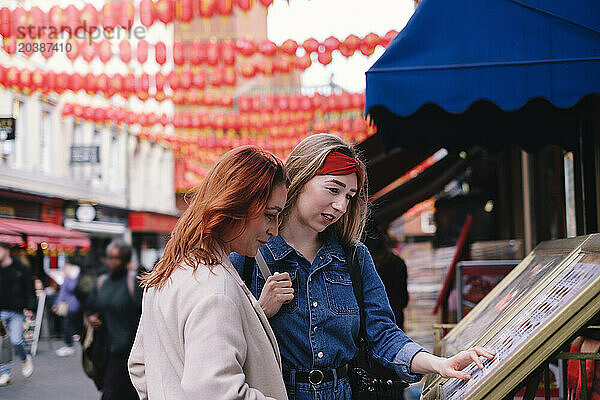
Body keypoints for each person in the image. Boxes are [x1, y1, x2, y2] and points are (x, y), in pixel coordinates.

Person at [230, 134, 495, 399]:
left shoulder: (354, 258)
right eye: (333, 189)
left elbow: (383, 334)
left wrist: (439, 363)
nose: (341, 206)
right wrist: (261, 311)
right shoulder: (249, 253)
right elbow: (219, 342)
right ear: (299, 179)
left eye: (349, 196)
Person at [128, 146, 289, 400]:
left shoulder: (170, 268)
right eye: (270, 215)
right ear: (236, 203)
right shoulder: (216, 288)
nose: (275, 230)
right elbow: (217, 393)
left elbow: (140, 367)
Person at [85, 240, 141, 400]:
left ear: (125, 261)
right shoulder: (101, 282)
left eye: (117, 258)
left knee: (112, 394)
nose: (112, 262)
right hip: (104, 349)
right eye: (110, 257)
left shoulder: (134, 283)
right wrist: (91, 317)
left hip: (128, 349)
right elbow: (90, 305)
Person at [0, 242, 35, 386]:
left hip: (16, 311)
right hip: (1, 311)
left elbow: (29, 287)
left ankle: (25, 358)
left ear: (6, 251)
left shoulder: (21, 268)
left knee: (16, 340)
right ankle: (5, 372)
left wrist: (31, 306)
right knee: (2, 343)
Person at [363, 220, 409, 330]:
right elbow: (403, 299)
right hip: (392, 324)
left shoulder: (358, 264)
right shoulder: (397, 263)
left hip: (374, 326)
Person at [52, 255, 84, 357]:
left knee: (68, 325)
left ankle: (69, 346)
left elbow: (72, 288)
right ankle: (69, 344)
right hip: (66, 303)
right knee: (67, 324)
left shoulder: (74, 273)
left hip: (71, 304)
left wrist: (69, 277)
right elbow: (62, 291)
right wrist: (56, 303)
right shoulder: (69, 274)